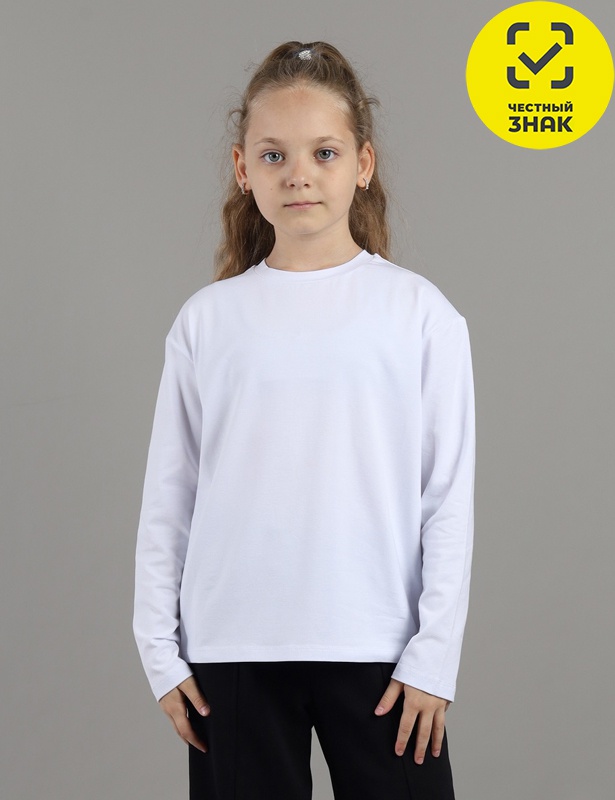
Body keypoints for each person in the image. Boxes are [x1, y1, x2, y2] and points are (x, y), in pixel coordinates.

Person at [133, 40, 475, 800]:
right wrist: (159, 651)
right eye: (273, 154)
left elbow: (446, 498)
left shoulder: (420, 315)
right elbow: (170, 497)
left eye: (323, 152)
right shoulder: (207, 321)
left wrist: (434, 655)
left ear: (362, 164)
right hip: (232, 648)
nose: (298, 174)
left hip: (381, 646)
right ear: (242, 168)